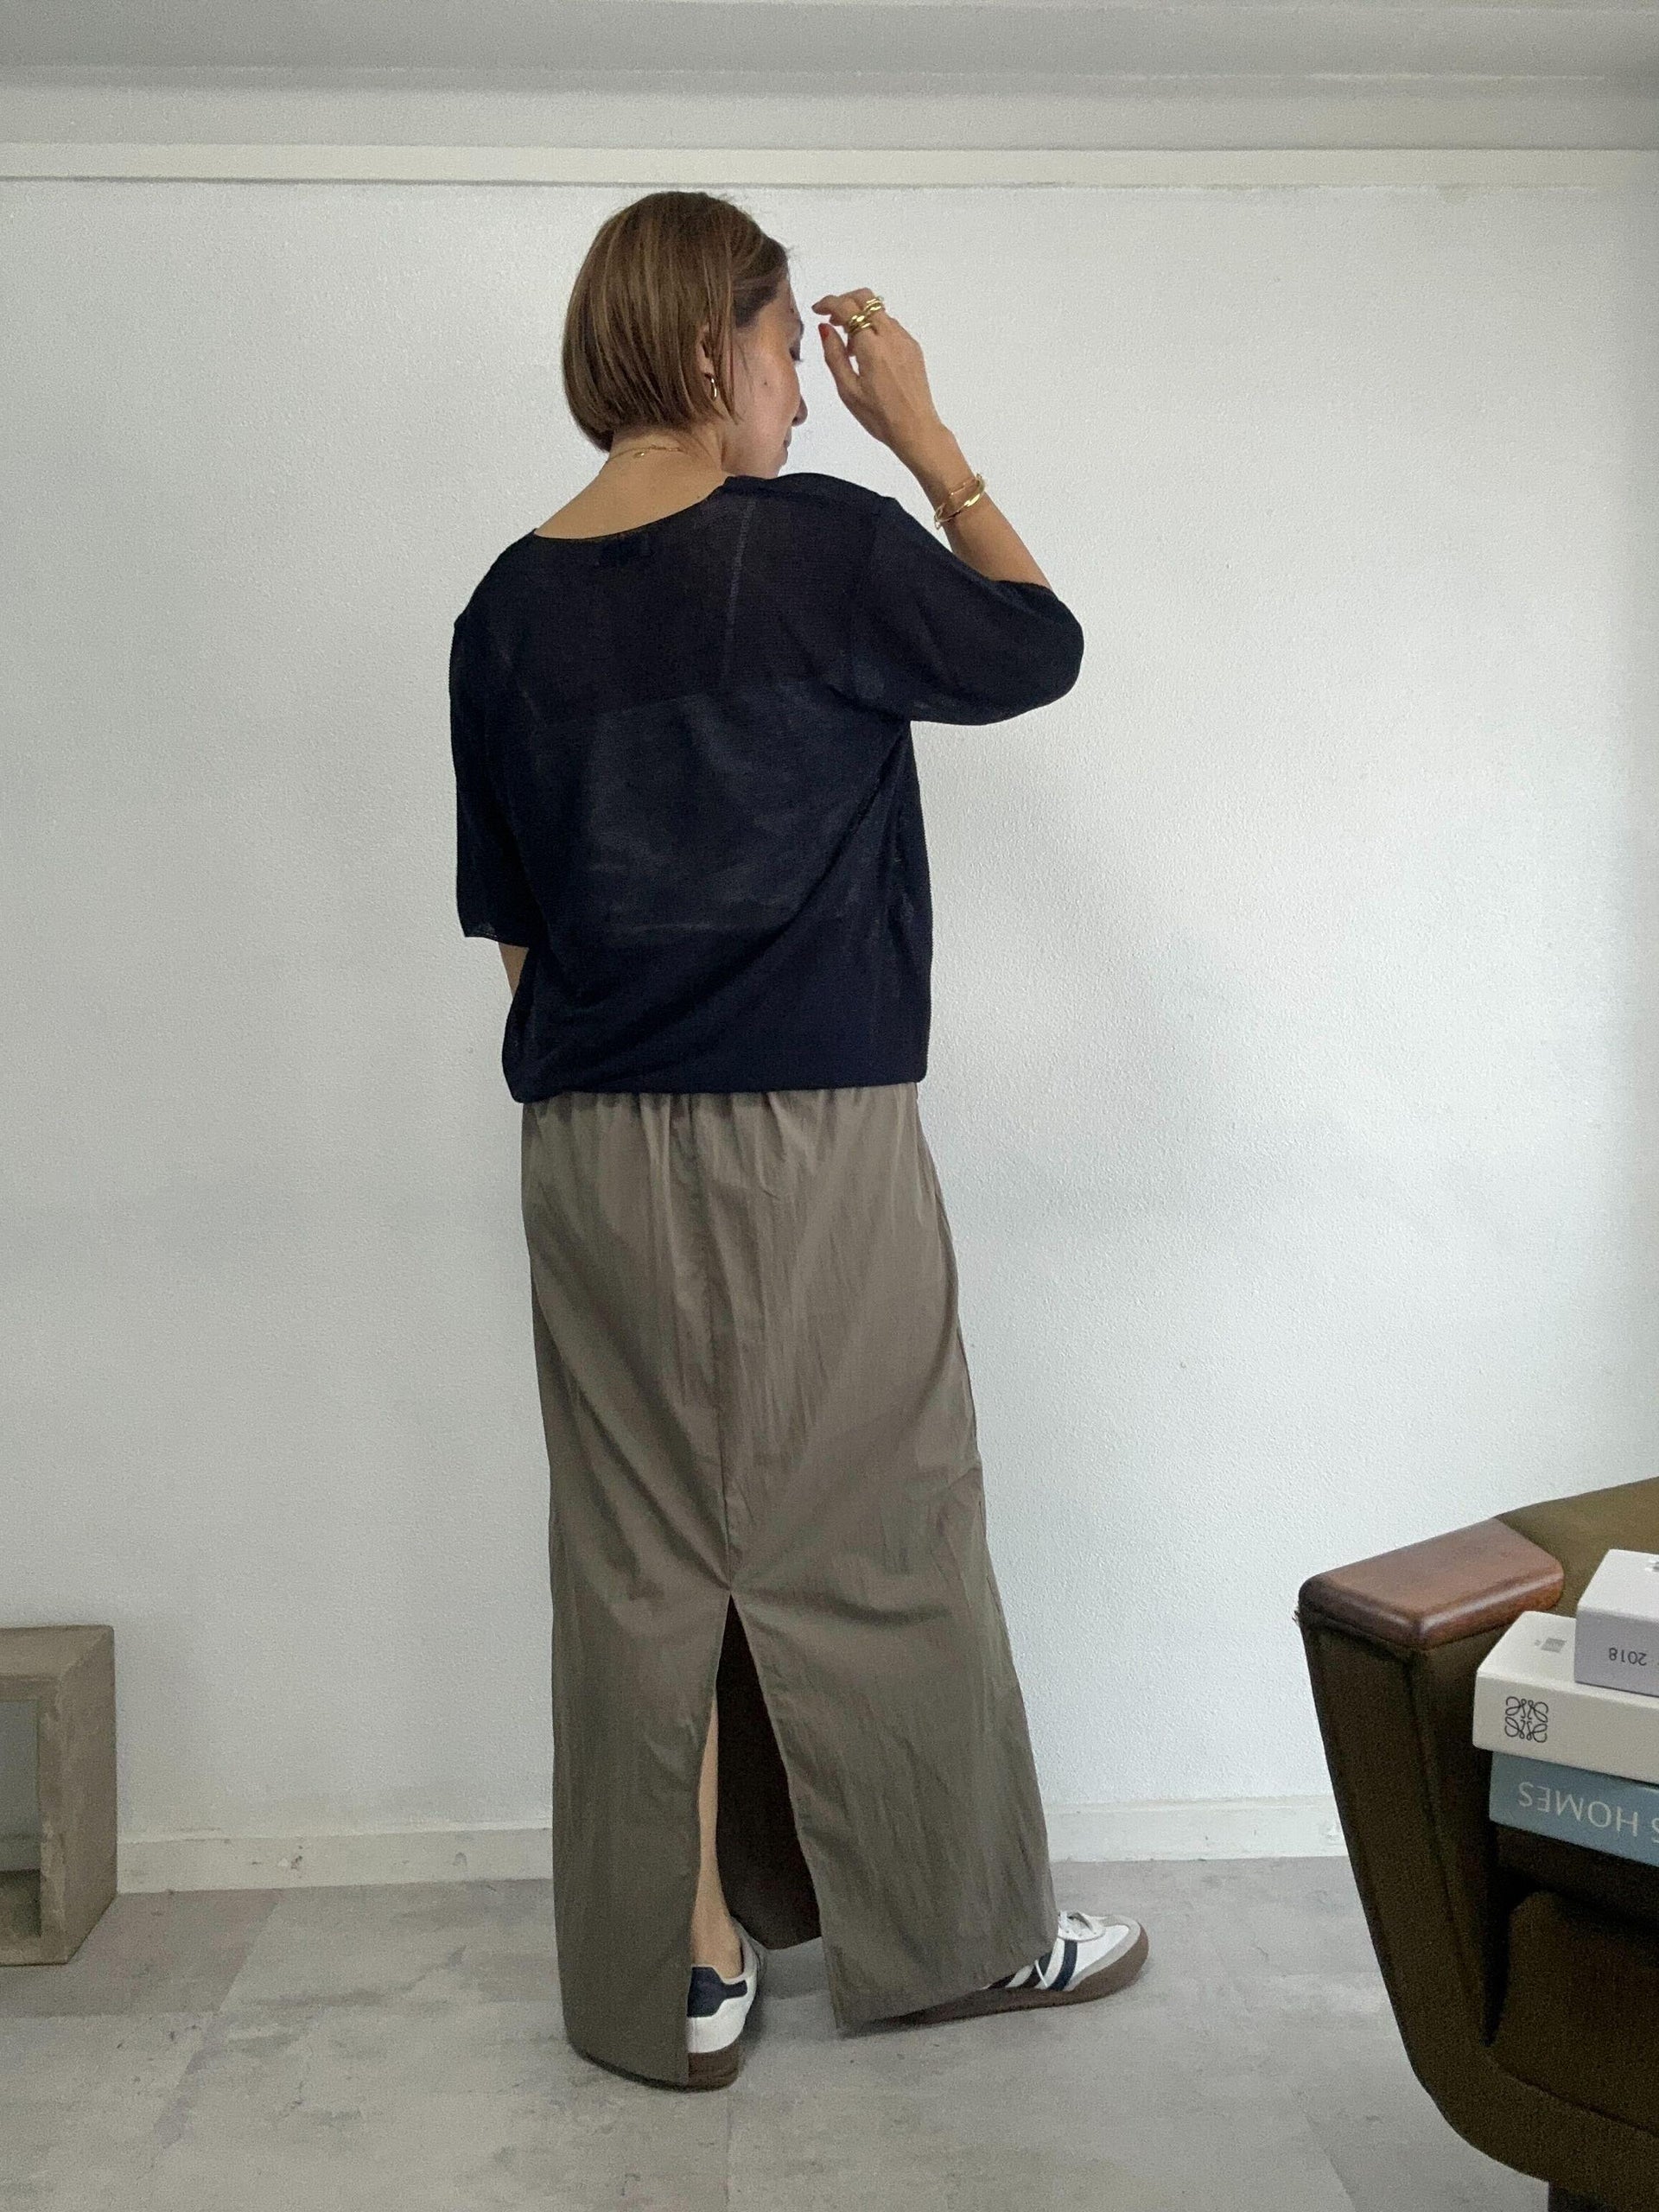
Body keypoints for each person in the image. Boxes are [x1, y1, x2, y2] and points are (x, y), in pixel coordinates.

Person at [448, 188, 1150, 2093]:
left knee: (637, 1554)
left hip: (586, 1142)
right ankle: (959, 1934)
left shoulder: (505, 609)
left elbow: (516, 924)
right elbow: (1035, 644)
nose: (802, 394)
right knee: (884, 1524)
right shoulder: (821, 544)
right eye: (783, 353)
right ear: (711, 350)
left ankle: (675, 1974)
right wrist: (929, 434)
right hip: (816, 1134)